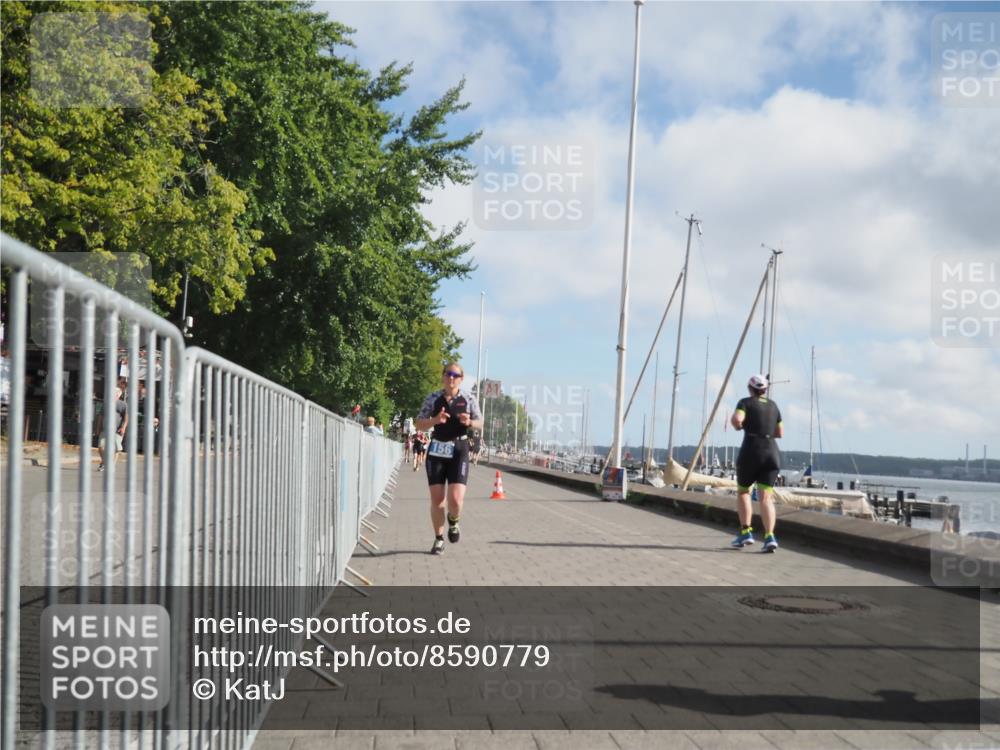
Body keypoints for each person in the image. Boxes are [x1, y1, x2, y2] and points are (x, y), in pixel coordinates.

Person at [414, 363, 483, 555]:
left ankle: (454, 521)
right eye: (448, 374)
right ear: (443, 376)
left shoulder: (468, 398)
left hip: (459, 449)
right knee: (437, 500)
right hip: (437, 448)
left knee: (455, 499)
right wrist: (435, 420)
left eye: (455, 375)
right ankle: (438, 539)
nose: (451, 378)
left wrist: (469, 422)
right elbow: (419, 423)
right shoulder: (433, 398)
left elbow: (480, 422)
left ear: (461, 378)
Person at [730, 374, 784, 552]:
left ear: (750, 388)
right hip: (772, 453)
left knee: (744, 492)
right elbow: (780, 432)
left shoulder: (744, 402)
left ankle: (746, 532)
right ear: (764, 390)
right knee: (766, 498)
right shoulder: (774, 406)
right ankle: (770, 537)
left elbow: (737, 419)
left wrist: (739, 427)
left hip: (752, 451)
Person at [96, 385, 128, 471]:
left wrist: (123, 428)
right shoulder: (106, 403)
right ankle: (105, 463)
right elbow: (101, 416)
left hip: (117, 430)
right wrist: (98, 428)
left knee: (116, 449)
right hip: (105, 429)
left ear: (118, 395)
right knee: (101, 447)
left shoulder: (123, 404)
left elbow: (126, 418)